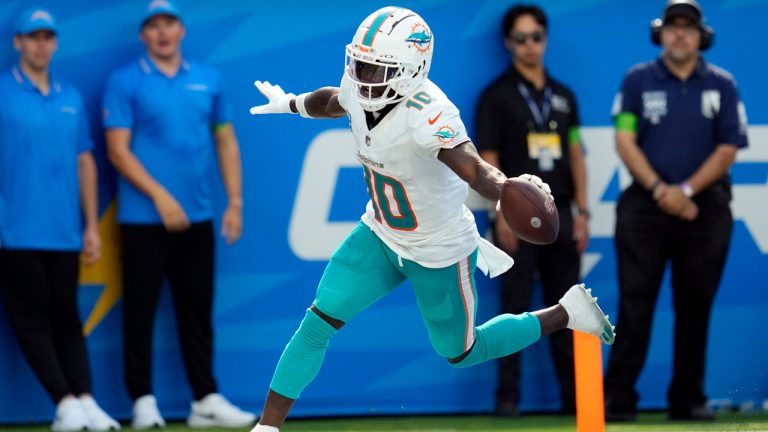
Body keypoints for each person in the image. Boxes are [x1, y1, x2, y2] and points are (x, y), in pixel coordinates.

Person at [247, 7, 615, 431]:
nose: (363, 77)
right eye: (360, 64)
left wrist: (508, 189)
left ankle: (565, 313)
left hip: (438, 250)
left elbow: (475, 168)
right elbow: (333, 99)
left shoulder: (429, 113)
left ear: (412, 70)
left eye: (376, 68)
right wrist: (291, 103)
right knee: (317, 322)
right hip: (381, 235)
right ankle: (267, 428)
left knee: (460, 351)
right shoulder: (358, 86)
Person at [102, 1, 255, 428]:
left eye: (169, 23)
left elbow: (226, 141)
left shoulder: (208, 79)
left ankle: (204, 399)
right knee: (140, 310)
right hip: (141, 220)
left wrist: (235, 203)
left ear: (181, 30)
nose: (162, 32)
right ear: (143, 36)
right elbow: (117, 149)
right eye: (153, 26)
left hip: (199, 217)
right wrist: (160, 197)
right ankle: (142, 401)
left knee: (196, 311)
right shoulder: (125, 81)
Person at [604, 0, 748, 422]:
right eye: (672, 26)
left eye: (688, 27)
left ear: (702, 35)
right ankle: (618, 399)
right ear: (659, 33)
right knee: (635, 302)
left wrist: (684, 190)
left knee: (695, 303)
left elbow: (727, 149)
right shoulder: (637, 80)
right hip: (645, 204)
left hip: (704, 208)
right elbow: (624, 140)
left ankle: (687, 400)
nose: (680, 33)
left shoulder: (723, 84)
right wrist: (660, 189)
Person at [0, 8, 119, 432]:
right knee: (31, 320)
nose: (40, 44)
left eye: (47, 36)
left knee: (68, 317)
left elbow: (84, 162)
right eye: (32, 37)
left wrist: (90, 225)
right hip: (15, 233)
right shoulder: (3, 93)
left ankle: (85, 399)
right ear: (18, 43)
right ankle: (64, 402)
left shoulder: (70, 97)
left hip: (66, 232)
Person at [475, 4, 588, 416]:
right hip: (517, 225)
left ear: (546, 39)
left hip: (561, 220)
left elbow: (576, 155)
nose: (529, 45)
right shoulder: (496, 96)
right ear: (508, 42)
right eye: (520, 38)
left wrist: (584, 213)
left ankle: (575, 399)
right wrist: (500, 214)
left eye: (536, 37)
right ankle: (508, 399)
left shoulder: (564, 96)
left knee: (568, 307)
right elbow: (486, 161)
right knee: (515, 309)